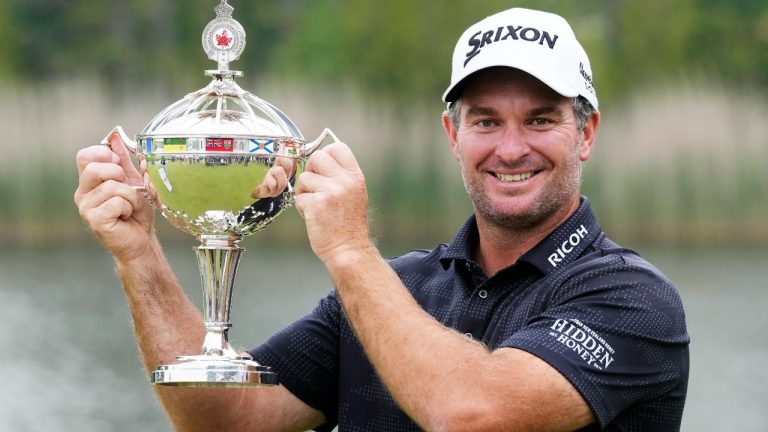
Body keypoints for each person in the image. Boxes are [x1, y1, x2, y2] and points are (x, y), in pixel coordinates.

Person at [74, 7, 689, 432]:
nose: (510, 147)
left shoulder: (632, 299)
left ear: (587, 134)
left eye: (541, 119)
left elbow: (473, 416)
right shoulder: (392, 289)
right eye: (485, 120)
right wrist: (140, 257)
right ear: (453, 134)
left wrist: (347, 249)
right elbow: (223, 420)